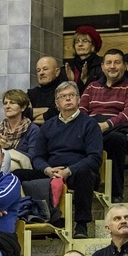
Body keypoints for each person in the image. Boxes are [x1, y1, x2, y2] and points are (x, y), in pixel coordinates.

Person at [30, 81, 103, 239]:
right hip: (52, 171)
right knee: (19, 174)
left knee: (84, 174)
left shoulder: (90, 124)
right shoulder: (47, 126)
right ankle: (35, 220)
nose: (68, 99)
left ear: (78, 100)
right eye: (63, 97)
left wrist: (69, 171)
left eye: (71, 95)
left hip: (77, 172)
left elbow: (95, 158)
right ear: (57, 104)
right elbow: (38, 157)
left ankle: (81, 225)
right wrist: (47, 170)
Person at [79, 48, 128, 203]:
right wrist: (90, 128)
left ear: (124, 66)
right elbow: (81, 110)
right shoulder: (91, 87)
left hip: (120, 130)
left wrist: (106, 125)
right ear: (102, 67)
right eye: (108, 63)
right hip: (92, 129)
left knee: (115, 139)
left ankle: (116, 193)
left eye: (117, 62)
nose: (112, 66)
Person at [0, 89, 40, 170]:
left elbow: (33, 157)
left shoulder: (33, 130)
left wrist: (8, 148)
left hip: (22, 170)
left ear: (23, 107)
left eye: (12, 103)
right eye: (5, 103)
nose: (7, 106)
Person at [65, 25, 103, 92]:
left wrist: (86, 81)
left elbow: (102, 92)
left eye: (85, 41)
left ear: (93, 46)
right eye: (77, 42)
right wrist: (71, 82)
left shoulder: (102, 66)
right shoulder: (68, 67)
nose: (80, 44)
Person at [27, 56, 64, 124]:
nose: (41, 73)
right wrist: (48, 110)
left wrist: (31, 116)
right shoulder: (31, 94)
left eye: (45, 69)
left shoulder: (64, 91)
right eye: (38, 70)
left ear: (57, 72)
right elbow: (22, 113)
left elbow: (57, 114)